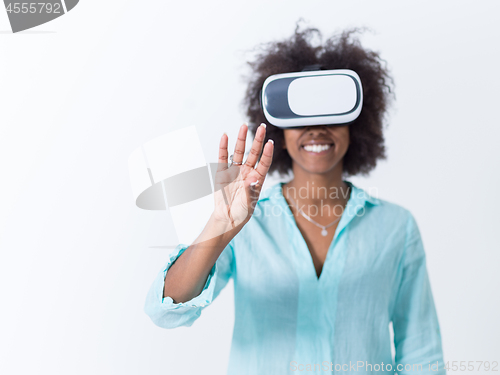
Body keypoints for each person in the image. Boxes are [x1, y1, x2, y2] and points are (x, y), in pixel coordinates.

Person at [144, 26, 446, 375]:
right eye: (301, 115)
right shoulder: (246, 220)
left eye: (331, 113)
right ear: (278, 131)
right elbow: (165, 311)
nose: (316, 128)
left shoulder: (397, 227)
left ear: (356, 125)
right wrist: (219, 226)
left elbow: (422, 353)